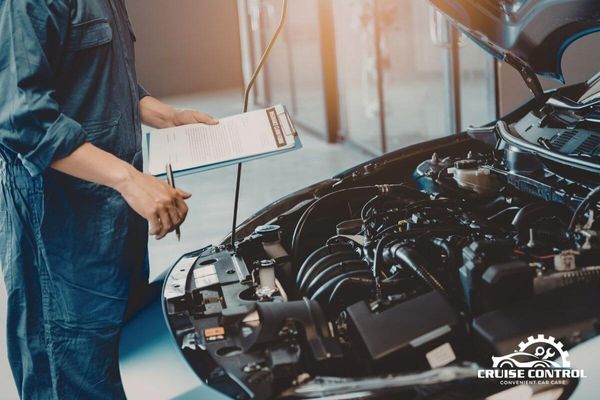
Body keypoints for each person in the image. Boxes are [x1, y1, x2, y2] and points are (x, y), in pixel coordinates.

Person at [0, 1, 218, 398]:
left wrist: (167, 116)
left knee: (114, 364)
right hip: (61, 236)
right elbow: (22, 119)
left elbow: (92, 80)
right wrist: (129, 180)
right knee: (71, 377)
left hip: (114, 224)